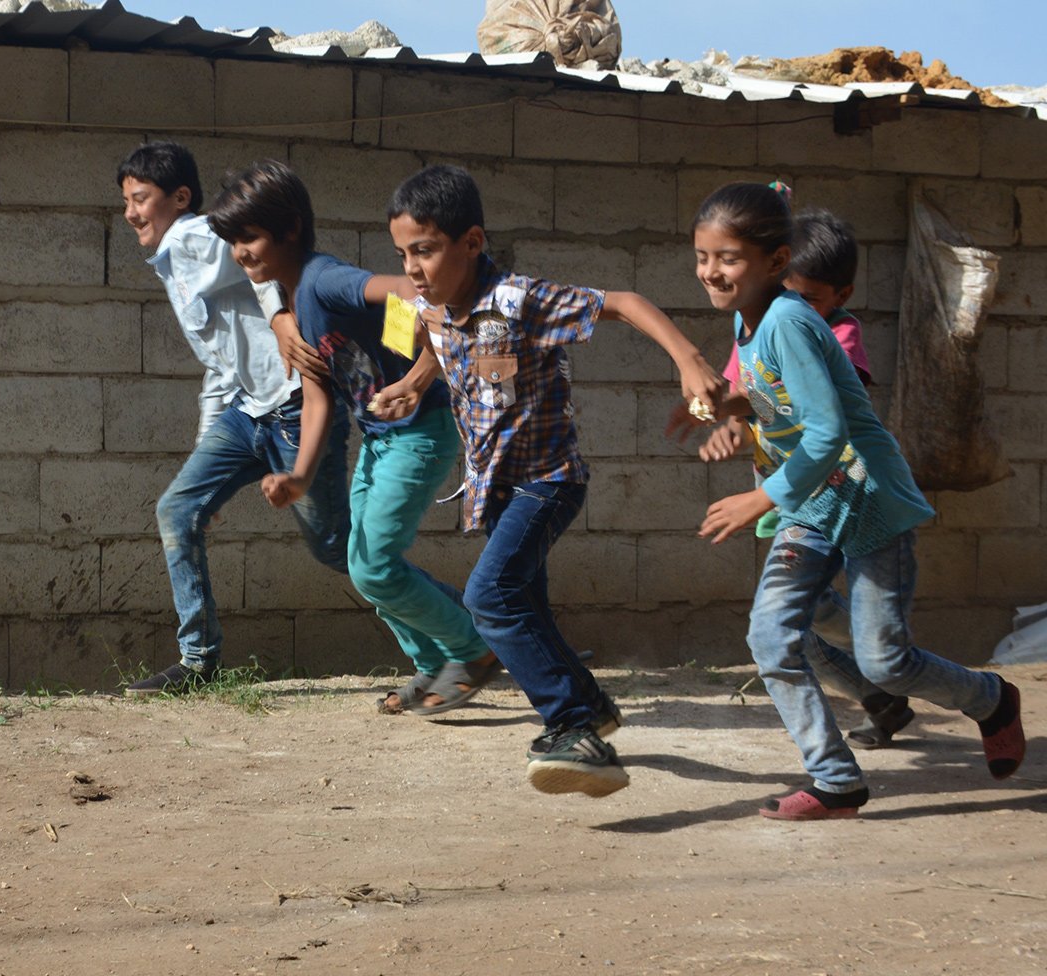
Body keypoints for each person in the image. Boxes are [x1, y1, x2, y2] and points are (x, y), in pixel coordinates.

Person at [372, 164, 725, 798]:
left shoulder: (519, 301)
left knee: (490, 597)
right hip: (498, 488)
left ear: (471, 242)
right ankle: (589, 703)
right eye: (403, 253)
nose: (413, 267)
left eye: (424, 249)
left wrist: (689, 358)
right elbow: (435, 337)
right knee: (523, 604)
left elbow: (623, 303)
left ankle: (572, 727)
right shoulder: (431, 305)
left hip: (548, 480)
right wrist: (411, 383)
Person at [683, 181, 1025, 820]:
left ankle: (990, 699)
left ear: (775, 262)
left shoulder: (790, 321)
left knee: (886, 660)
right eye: (702, 256)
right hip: (812, 504)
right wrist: (723, 408)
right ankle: (836, 779)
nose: (711, 271)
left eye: (727, 258)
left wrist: (762, 498)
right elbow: (770, 397)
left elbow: (828, 430)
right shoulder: (748, 320)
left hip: (866, 501)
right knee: (771, 635)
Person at [207, 159, 499, 718]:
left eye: (248, 237)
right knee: (361, 561)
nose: (239, 253)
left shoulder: (324, 279)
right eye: (233, 241)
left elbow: (407, 294)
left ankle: (473, 650)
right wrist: (300, 475)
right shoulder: (300, 303)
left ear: (289, 227)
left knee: (373, 566)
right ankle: (434, 662)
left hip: (418, 435)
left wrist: (415, 369)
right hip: (379, 440)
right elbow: (318, 396)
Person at [116, 142, 349, 696]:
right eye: (125, 201)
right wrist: (207, 462)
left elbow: (263, 266)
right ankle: (198, 661)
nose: (130, 213)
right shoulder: (173, 260)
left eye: (140, 199)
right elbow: (221, 364)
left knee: (339, 548)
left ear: (180, 197)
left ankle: (473, 631)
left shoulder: (193, 237)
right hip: (249, 411)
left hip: (295, 408)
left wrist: (283, 321)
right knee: (178, 509)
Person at [686, 206, 913, 750]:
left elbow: (809, 412)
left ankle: (892, 685)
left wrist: (742, 424)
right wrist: (728, 425)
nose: (796, 306)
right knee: (790, 626)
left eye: (810, 298)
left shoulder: (829, 334)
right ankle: (878, 699)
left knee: (864, 642)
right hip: (792, 496)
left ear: (841, 295)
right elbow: (753, 401)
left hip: (844, 493)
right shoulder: (756, 323)